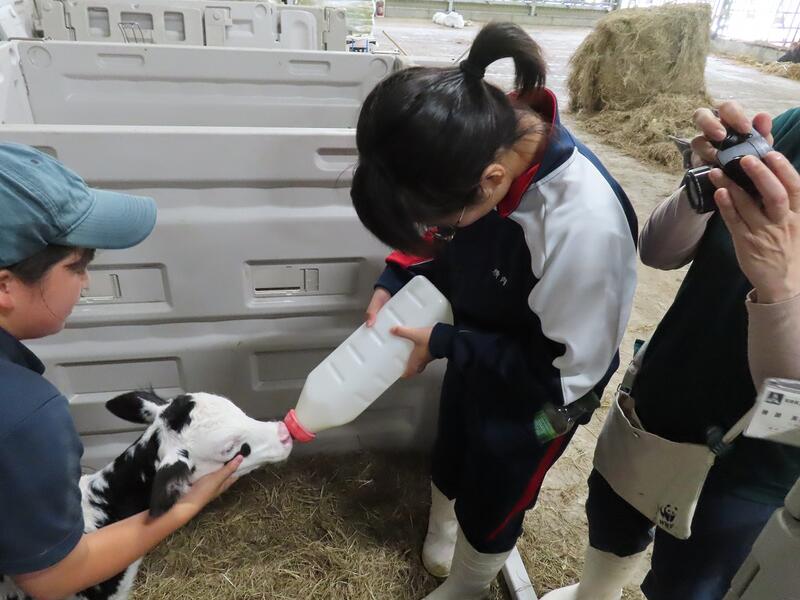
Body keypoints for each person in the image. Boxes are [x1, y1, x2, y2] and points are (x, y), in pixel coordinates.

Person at [350, 22, 638, 600]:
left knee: (498, 481)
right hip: (479, 348)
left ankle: (468, 581)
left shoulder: (582, 228)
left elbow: (564, 372)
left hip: (541, 392)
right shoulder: (478, 133)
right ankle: (443, 527)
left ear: (491, 183)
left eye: (441, 220)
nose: (437, 232)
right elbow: (443, 245)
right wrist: (398, 275)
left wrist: (449, 342)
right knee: (454, 441)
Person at [541, 102, 800, 600]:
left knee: (691, 576)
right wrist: (701, 189)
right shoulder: (790, 128)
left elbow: (790, 404)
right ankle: (596, 592)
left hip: (754, 462)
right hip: (667, 388)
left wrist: (781, 288)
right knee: (614, 507)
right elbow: (659, 250)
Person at [0, 144, 242, 599]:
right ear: (5, 285)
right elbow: (54, 577)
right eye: (77, 266)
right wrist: (184, 508)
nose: (87, 281)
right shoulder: (26, 414)